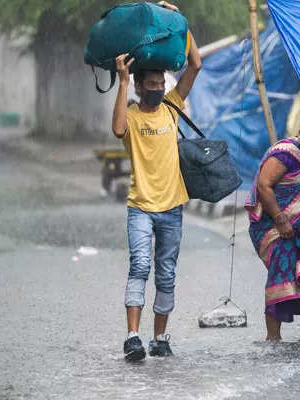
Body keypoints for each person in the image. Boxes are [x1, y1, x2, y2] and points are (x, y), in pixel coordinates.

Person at [111, 1, 202, 361]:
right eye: (151, 84)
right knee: (140, 266)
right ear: (139, 86)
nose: (159, 88)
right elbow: (117, 129)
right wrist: (121, 81)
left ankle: (159, 338)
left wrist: (181, 23)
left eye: (161, 83)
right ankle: (133, 336)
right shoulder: (131, 115)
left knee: (166, 273)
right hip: (141, 207)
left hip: (172, 208)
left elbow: (195, 64)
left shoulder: (172, 106)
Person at [245, 117, 300, 342]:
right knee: (281, 276)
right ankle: (273, 339)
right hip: (276, 229)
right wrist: (279, 218)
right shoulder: (285, 153)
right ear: (299, 134)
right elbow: (264, 185)